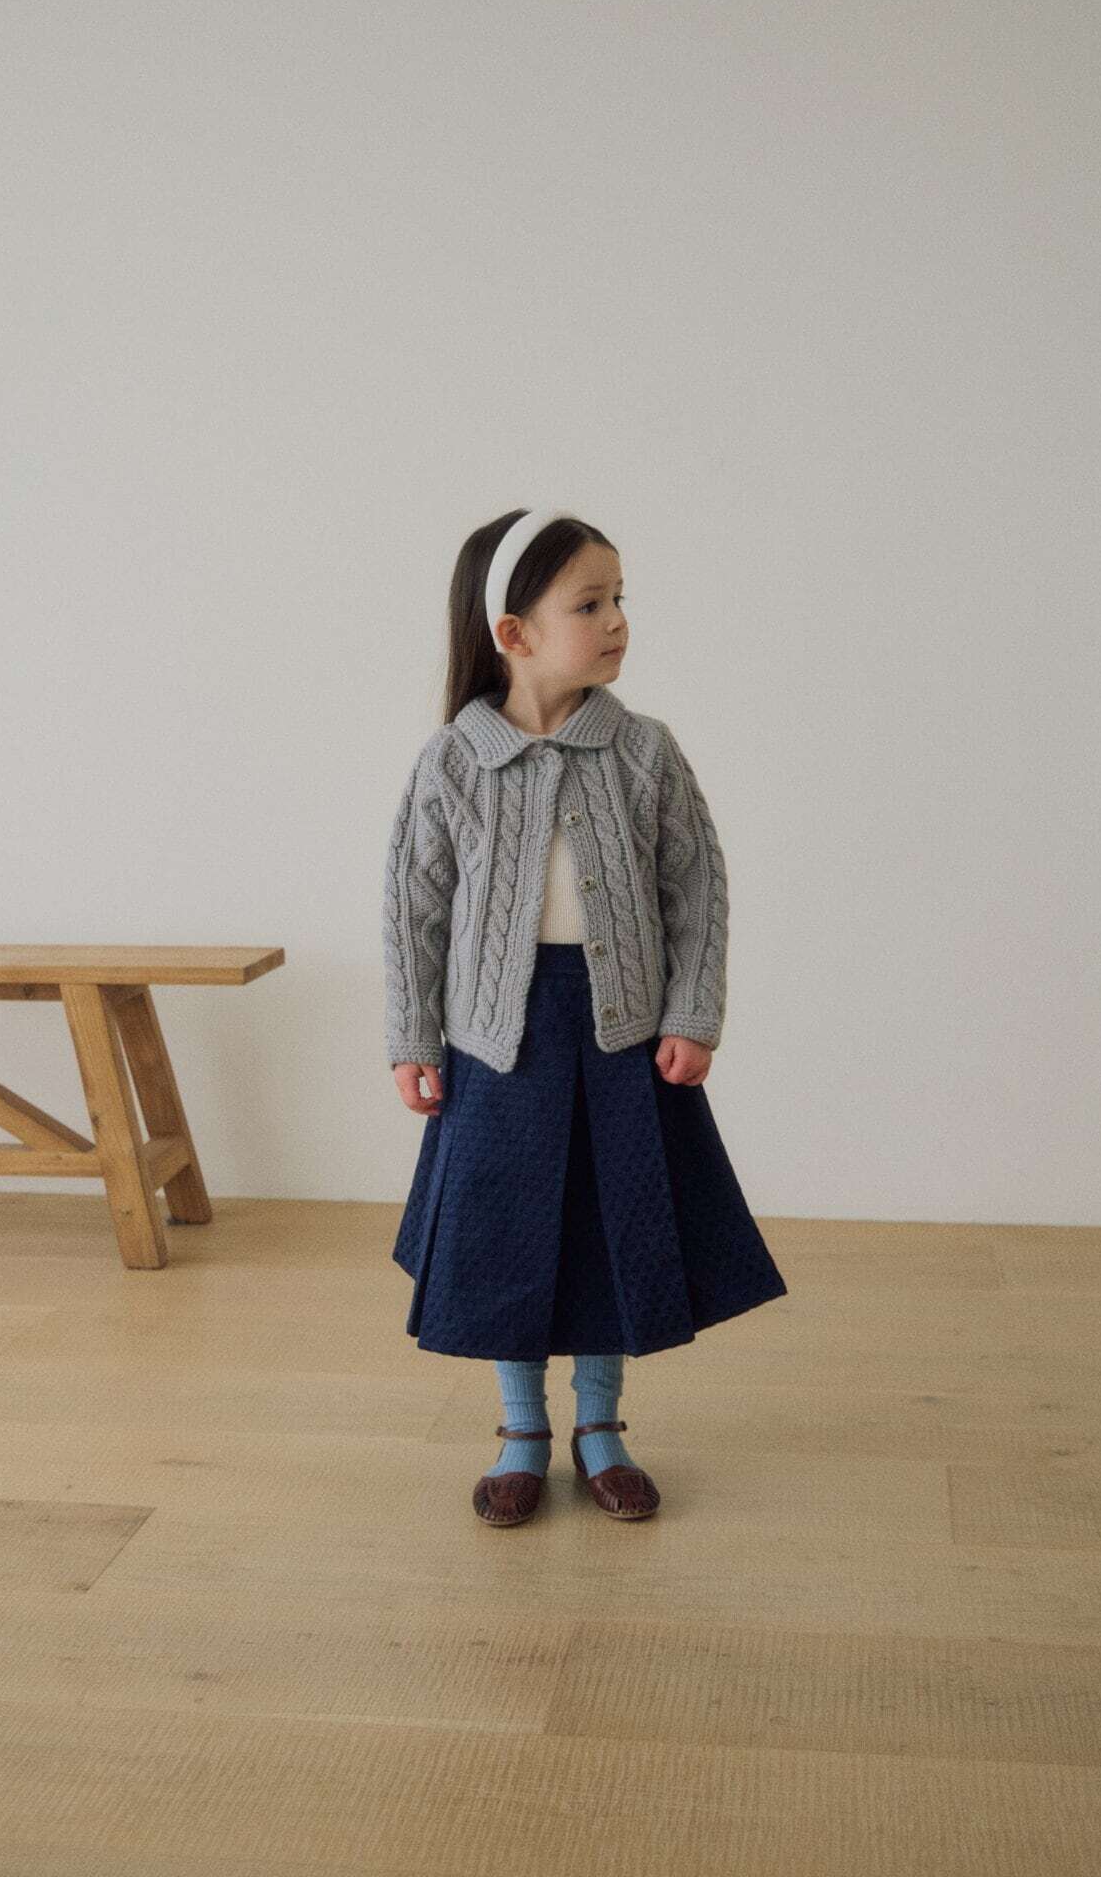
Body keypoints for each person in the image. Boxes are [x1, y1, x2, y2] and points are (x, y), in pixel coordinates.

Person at [381, 507, 788, 1528]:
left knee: (613, 1231)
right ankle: (521, 1431)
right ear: (513, 633)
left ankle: (600, 1425)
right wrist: (413, 1039)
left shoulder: (642, 751)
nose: (616, 622)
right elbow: (413, 912)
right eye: (589, 604)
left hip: (623, 1038)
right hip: (496, 1046)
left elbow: (697, 891)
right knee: (507, 1240)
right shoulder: (454, 761)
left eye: (619, 600)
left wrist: (692, 1013)